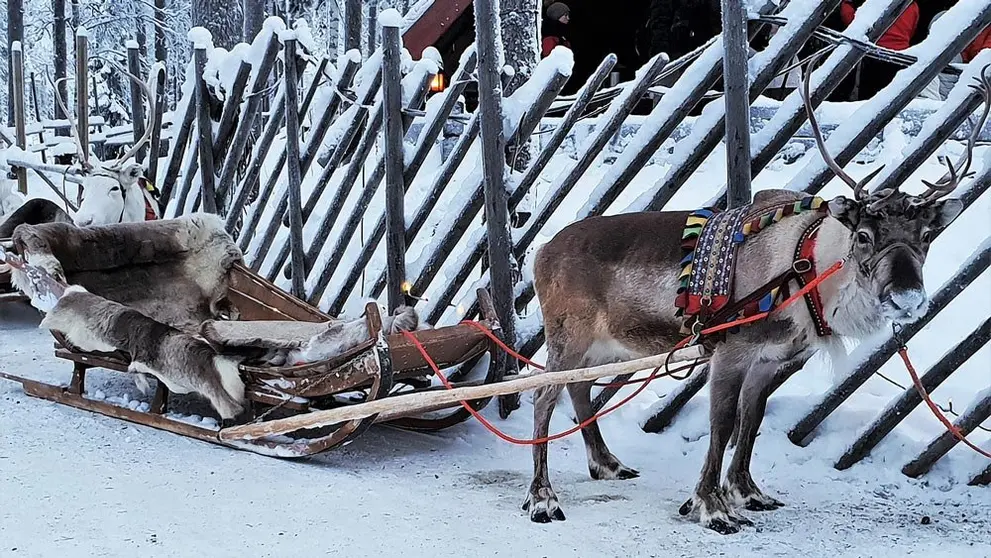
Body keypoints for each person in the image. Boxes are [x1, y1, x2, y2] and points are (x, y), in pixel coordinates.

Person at [840, 0, 921, 99]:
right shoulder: (912, 5)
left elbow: (856, 24)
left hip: (876, 55)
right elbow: (912, 31)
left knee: (868, 99)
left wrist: (846, 4)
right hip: (901, 57)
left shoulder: (877, 3)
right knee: (893, 97)